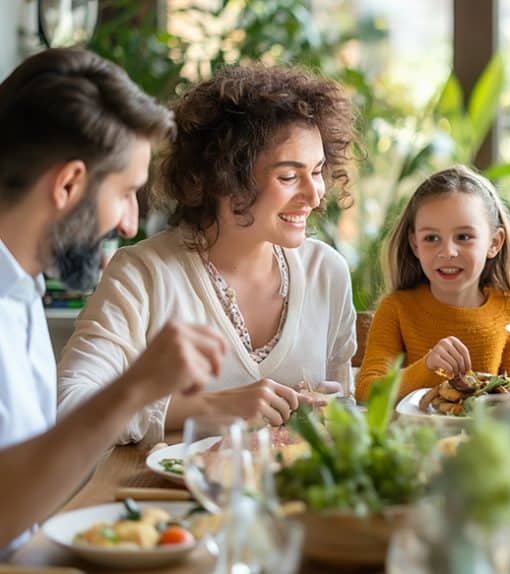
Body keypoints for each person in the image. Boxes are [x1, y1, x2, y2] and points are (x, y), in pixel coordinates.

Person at [57, 65, 359, 444]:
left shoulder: (326, 272)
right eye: (288, 176)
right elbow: (69, 405)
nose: (314, 195)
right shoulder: (142, 275)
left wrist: (331, 407)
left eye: (316, 171)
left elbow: (343, 412)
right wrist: (206, 408)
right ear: (224, 176)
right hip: (167, 484)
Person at [0, 48, 225, 555]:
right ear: (68, 184)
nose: (128, 224)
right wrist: (137, 385)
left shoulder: (22, 290)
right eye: (126, 193)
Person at [355, 165, 510, 400]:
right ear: (415, 245)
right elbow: (366, 391)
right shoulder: (396, 309)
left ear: (494, 243)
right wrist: (427, 366)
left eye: (464, 237)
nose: (447, 252)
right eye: (431, 238)